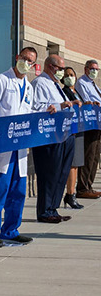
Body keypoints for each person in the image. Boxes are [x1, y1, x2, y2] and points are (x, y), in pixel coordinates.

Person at [0, 47, 37, 245]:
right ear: (17, 58)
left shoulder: (29, 87)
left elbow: (30, 113)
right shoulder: (0, 80)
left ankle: (10, 230)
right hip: (0, 147)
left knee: (18, 192)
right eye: (24, 59)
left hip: (19, 149)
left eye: (31, 61)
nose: (26, 63)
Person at [30, 54, 75, 224]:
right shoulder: (39, 83)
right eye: (60, 69)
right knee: (49, 173)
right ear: (50, 66)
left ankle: (53, 208)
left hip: (63, 133)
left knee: (61, 172)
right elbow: (36, 107)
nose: (62, 72)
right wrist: (59, 106)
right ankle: (44, 210)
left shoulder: (56, 85)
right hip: (48, 136)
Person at [56, 66, 84, 211]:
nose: (69, 77)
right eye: (66, 75)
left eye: (72, 74)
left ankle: (72, 193)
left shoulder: (76, 91)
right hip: (70, 130)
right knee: (72, 164)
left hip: (80, 128)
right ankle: (70, 194)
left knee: (77, 163)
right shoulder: (64, 92)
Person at [76, 60, 101, 201]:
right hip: (90, 124)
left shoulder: (93, 84)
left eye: (97, 69)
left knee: (95, 156)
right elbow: (86, 102)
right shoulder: (82, 83)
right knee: (88, 155)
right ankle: (82, 188)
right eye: (92, 69)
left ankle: (89, 186)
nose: (95, 71)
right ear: (86, 69)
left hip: (98, 123)